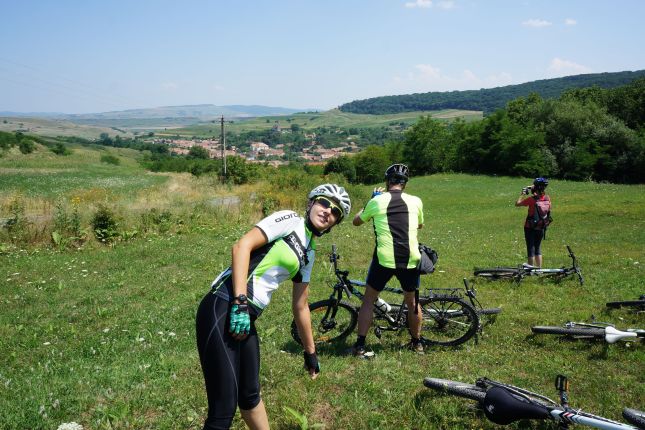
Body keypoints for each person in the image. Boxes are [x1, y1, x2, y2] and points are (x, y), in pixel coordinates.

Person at [195, 184, 351, 430]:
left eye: (336, 212)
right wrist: (240, 301)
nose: (328, 211)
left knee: (250, 395)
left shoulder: (308, 253)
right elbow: (241, 246)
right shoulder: (290, 220)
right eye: (324, 203)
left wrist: (310, 353)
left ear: (334, 224)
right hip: (224, 303)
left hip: (246, 315)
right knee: (223, 410)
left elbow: (300, 306)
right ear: (311, 202)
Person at [351, 163, 424, 356]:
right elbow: (420, 225)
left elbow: (356, 221)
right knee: (412, 302)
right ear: (405, 184)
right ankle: (417, 343)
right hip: (410, 258)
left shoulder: (377, 201)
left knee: (368, 300)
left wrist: (371, 200)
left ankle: (360, 345)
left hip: (384, 258)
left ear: (387, 181)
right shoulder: (416, 201)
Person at [515, 177, 551, 268]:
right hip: (541, 226)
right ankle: (539, 269)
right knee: (537, 248)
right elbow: (539, 194)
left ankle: (530, 268)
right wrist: (531, 187)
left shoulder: (531, 199)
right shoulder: (547, 198)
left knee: (530, 248)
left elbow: (517, 203)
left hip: (530, 227)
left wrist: (522, 194)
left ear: (536, 187)